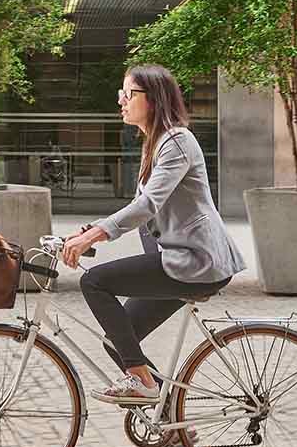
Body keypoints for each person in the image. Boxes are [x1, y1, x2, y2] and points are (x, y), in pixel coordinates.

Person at [62, 64, 246, 410]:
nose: (121, 100)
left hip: (197, 261)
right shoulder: (156, 144)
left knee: (95, 283)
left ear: (155, 99)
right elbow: (140, 207)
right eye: (122, 93)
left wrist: (96, 236)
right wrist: (91, 232)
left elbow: (149, 203)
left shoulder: (177, 140)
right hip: (181, 260)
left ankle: (142, 383)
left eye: (129, 94)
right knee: (119, 340)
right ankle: (170, 417)